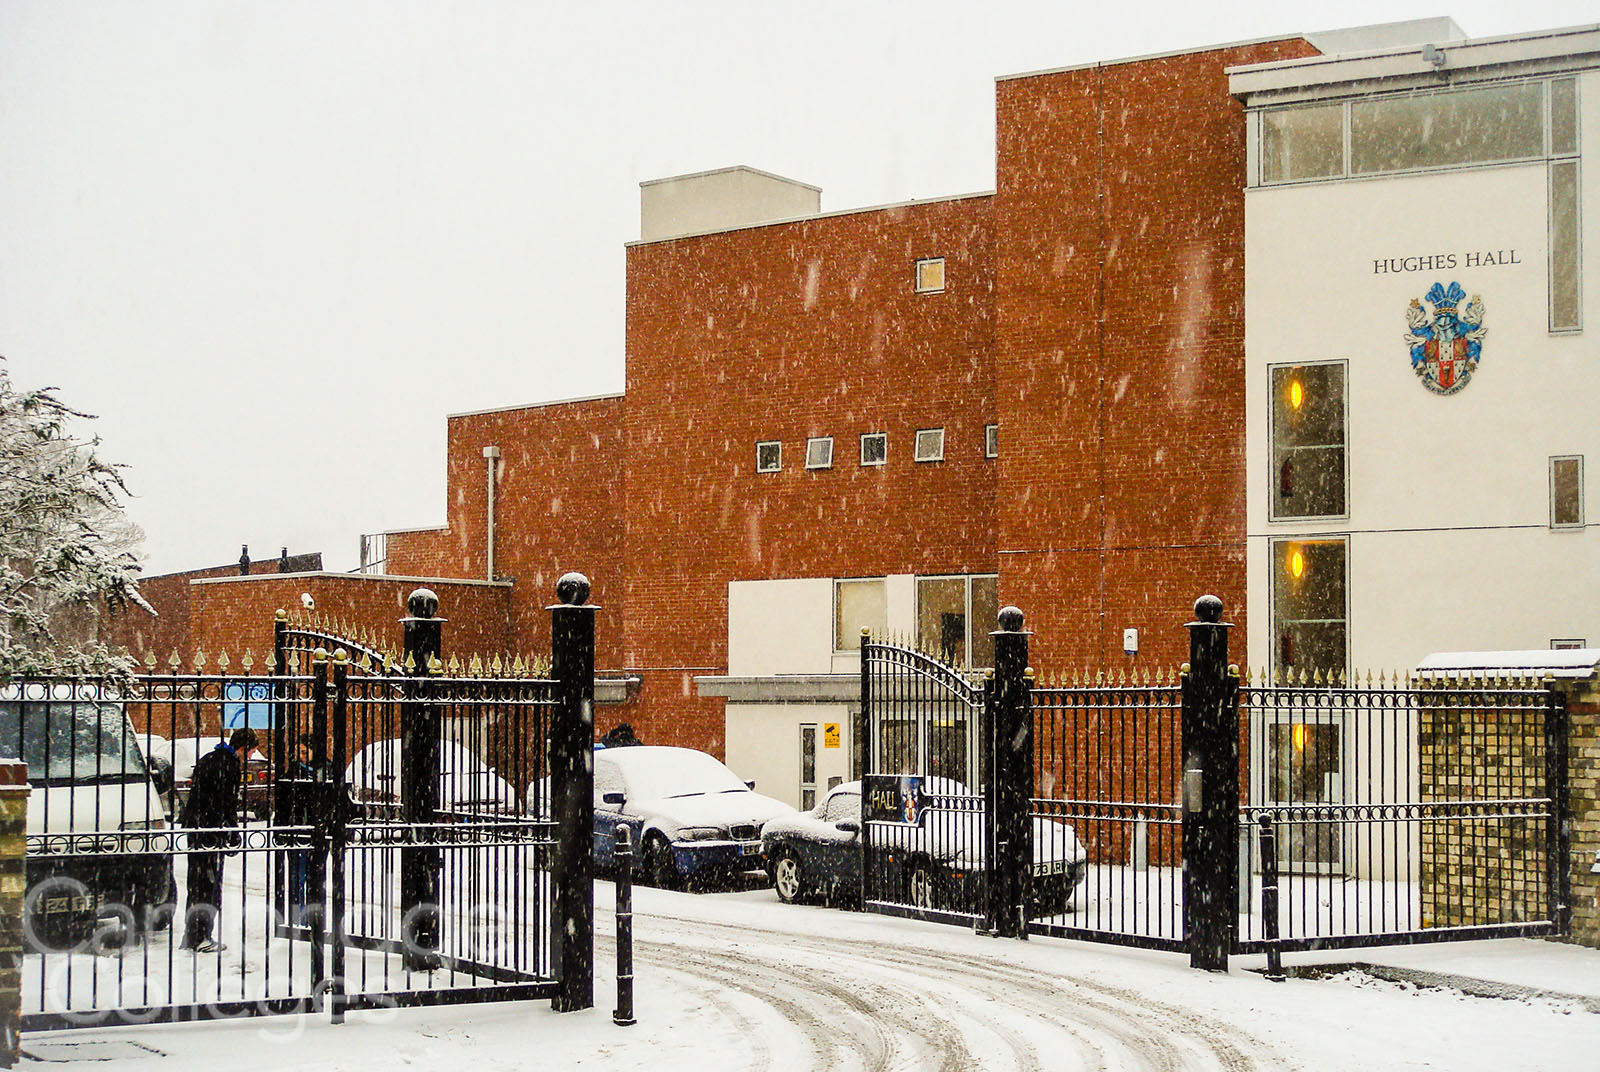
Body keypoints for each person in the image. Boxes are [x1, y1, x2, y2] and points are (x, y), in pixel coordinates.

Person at [179, 727, 258, 952]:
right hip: (211, 830)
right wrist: (231, 833)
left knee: (196, 883)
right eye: (251, 751)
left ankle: (191, 934)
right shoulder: (229, 765)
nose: (251, 756)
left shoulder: (209, 758)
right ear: (242, 748)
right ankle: (202, 936)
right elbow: (226, 802)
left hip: (195, 828)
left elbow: (199, 795)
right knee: (209, 886)